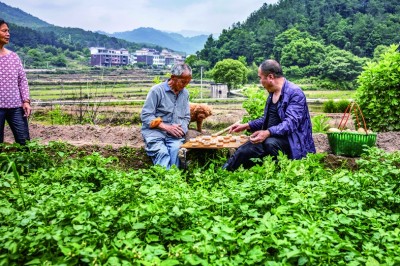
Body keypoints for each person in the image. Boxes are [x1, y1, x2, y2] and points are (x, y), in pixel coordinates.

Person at [223, 59, 315, 171]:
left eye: (260, 77)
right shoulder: (272, 94)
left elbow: (291, 123)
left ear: (270, 77)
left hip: (292, 141)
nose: (260, 81)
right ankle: (223, 173)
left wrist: (267, 132)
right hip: (271, 138)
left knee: (269, 143)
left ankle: (283, 171)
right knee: (244, 150)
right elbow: (269, 119)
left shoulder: (295, 93)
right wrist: (247, 125)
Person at [140, 63, 192, 169]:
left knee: (176, 152)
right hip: (155, 133)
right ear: (173, 77)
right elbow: (145, 115)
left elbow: (186, 116)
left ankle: (173, 181)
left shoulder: (185, 93)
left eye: (187, 82)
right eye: (183, 81)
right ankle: (167, 182)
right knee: (162, 153)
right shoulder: (157, 91)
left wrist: (182, 129)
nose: (185, 85)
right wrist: (166, 127)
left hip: (174, 136)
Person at [0, 20, 31, 145]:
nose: (8, 34)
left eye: (8, 31)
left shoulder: (13, 57)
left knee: (24, 141)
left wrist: (26, 101)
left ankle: (25, 164)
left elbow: (22, 80)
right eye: (4, 31)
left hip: (15, 107)